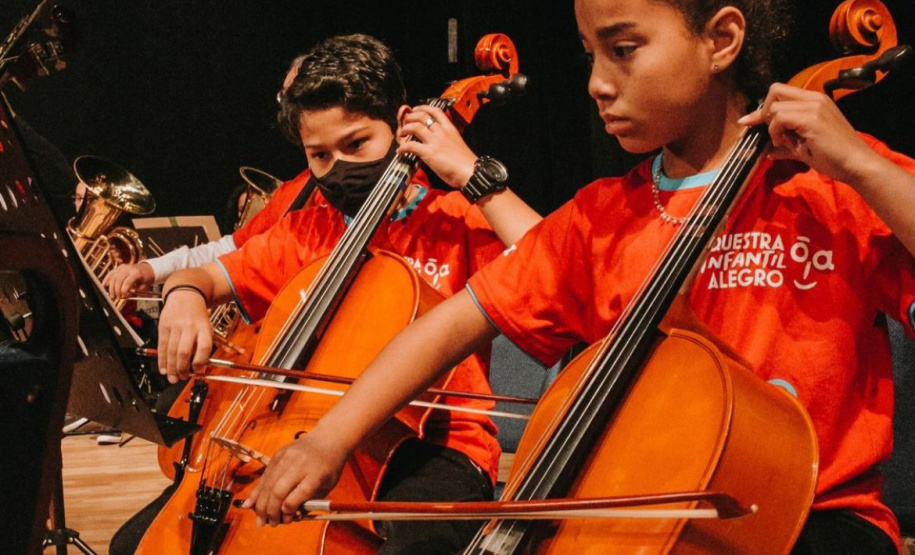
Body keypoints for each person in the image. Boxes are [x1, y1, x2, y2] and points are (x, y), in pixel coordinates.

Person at [235, 1, 915, 553]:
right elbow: (449, 325)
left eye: (623, 49)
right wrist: (330, 438)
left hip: (816, 516)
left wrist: (863, 167)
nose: (596, 83)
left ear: (721, 39)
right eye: (590, 54)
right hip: (629, 516)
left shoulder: (832, 187)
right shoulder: (598, 218)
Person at [156, 33, 541, 554]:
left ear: (401, 125)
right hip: (300, 432)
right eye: (319, 155)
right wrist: (183, 295)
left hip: (437, 446)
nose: (338, 167)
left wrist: (473, 177)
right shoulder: (306, 232)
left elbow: (556, 262)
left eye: (356, 144)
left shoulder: (456, 222)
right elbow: (204, 277)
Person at [101, 55, 313, 301]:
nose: (288, 112)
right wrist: (150, 269)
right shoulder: (296, 191)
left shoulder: (322, 201)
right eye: (284, 98)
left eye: (297, 97)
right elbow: (231, 249)